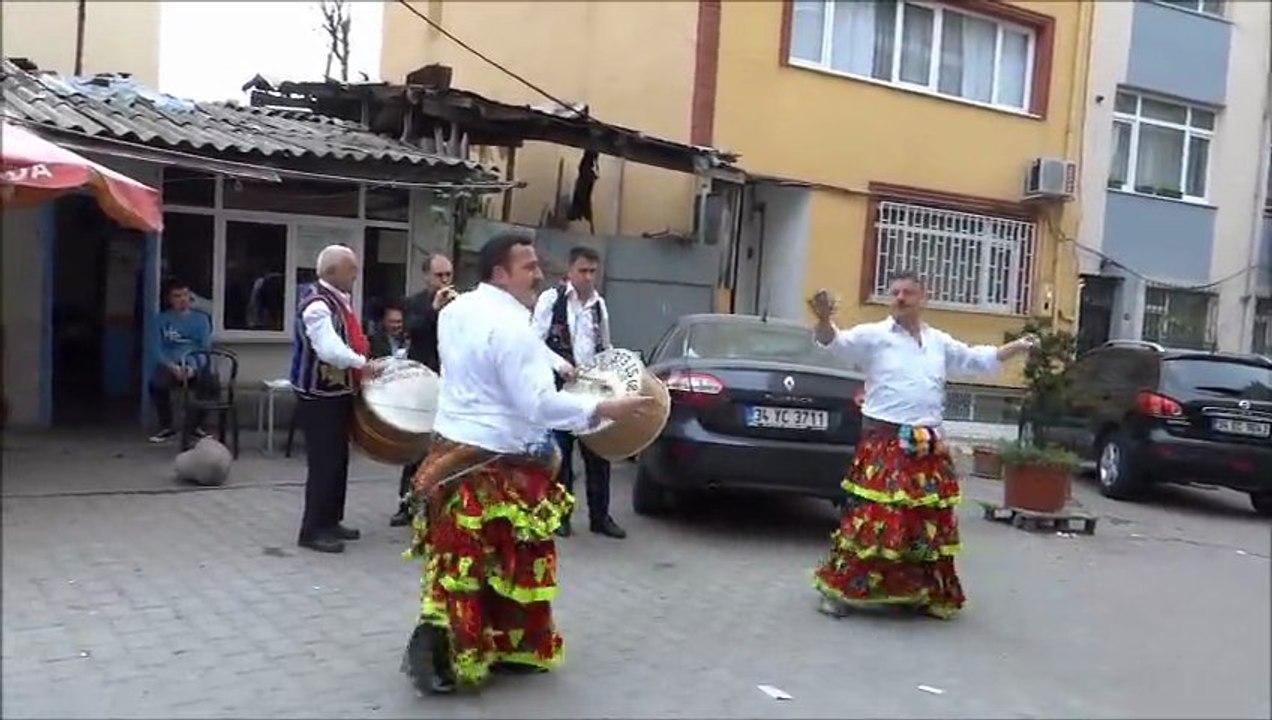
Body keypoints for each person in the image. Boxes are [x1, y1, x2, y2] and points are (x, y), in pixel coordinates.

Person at [401, 233, 658, 695]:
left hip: (450, 451)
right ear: (500, 273)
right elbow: (538, 405)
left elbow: (519, 354)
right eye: (528, 267)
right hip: (499, 460)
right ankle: (438, 650)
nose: (539, 274)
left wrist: (565, 368)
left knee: (461, 561)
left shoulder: (457, 310)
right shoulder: (513, 328)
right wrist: (602, 410)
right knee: (504, 559)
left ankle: (500, 647)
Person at [808, 270, 1037, 620]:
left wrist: (1017, 348)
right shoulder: (874, 336)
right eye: (895, 292)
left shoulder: (938, 342)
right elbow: (834, 342)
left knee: (924, 521)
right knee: (874, 521)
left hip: (927, 447)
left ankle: (920, 590)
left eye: (908, 293)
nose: (900, 298)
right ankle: (840, 591)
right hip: (884, 445)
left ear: (923, 298)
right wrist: (825, 318)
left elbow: (976, 360)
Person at [531, 245, 624, 539]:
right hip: (560, 390)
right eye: (582, 271)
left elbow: (605, 344)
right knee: (561, 458)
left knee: (599, 455)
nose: (588, 277)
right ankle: (561, 517)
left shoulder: (600, 305)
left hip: (591, 391)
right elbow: (532, 342)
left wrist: (612, 375)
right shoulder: (551, 299)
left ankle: (600, 517)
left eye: (592, 272)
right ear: (570, 271)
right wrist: (560, 365)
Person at [290, 245, 374, 554]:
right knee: (324, 462)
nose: (356, 274)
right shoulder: (317, 305)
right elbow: (328, 350)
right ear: (332, 272)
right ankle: (312, 530)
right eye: (351, 269)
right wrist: (364, 365)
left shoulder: (337, 300)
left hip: (336, 393)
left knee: (338, 460)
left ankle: (331, 521)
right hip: (318, 396)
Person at [390, 253, 454, 527]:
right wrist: (434, 309)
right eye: (439, 275)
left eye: (448, 275)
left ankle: (438, 505)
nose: (444, 281)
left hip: (449, 380)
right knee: (416, 446)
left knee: (445, 447)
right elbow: (411, 330)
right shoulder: (414, 303)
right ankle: (407, 503)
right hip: (421, 382)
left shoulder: (459, 303)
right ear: (427, 276)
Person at [148, 280, 213, 443]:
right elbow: (156, 348)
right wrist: (172, 366)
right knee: (156, 384)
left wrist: (193, 368)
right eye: (177, 296)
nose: (182, 299)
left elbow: (205, 348)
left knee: (211, 384)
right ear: (170, 299)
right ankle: (166, 426)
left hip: (193, 363)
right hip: (170, 365)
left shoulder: (202, 319)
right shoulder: (161, 320)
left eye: (185, 295)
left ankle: (196, 426)